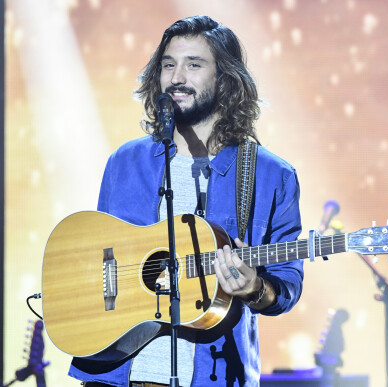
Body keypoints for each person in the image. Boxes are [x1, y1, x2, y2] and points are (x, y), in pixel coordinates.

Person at [69, 15, 304, 387]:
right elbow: (94, 254)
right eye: (168, 65)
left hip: (214, 374)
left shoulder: (271, 175)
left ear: (225, 80)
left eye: (193, 64)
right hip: (113, 372)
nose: (177, 77)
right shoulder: (124, 162)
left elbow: (287, 283)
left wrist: (255, 288)